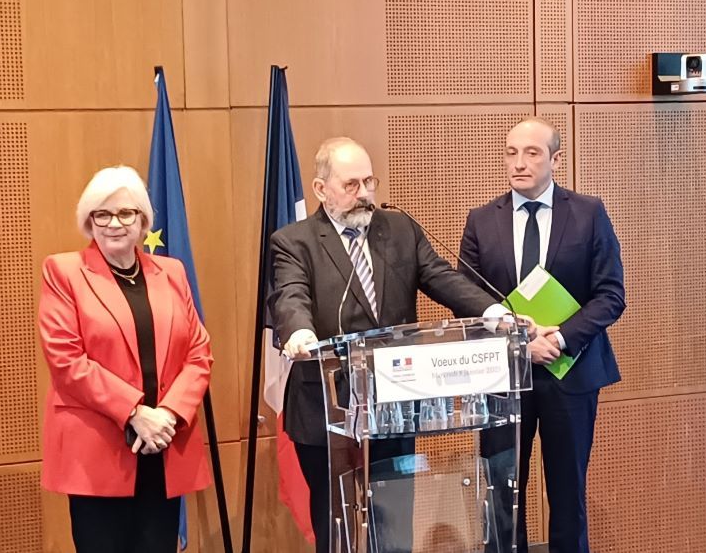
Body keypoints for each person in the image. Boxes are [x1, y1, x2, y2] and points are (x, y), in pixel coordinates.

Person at [268, 137, 519, 552]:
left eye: (369, 181)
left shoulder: (398, 228)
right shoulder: (295, 241)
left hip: (394, 403)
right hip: (325, 409)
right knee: (336, 523)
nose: (365, 194)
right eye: (351, 184)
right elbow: (291, 295)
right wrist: (299, 331)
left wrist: (494, 312)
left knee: (395, 515)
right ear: (320, 189)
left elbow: (441, 277)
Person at [459, 118, 626, 553]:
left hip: (569, 375)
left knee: (568, 496)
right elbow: (465, 301)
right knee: (501, 494)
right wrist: (520, 344)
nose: (519, 163)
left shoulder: (589, 213)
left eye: (531, 153)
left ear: (555, 158)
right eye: (511, 152)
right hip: (503, 379)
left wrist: (561, 339)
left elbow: (611, 295)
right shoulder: (481, 221)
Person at [38, 165, 213, 553]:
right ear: (89, 220)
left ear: (142, 220)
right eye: (102, 213)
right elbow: (67, 361)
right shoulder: (63, 272)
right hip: (99, 454)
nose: (114, 223)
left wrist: (167, 415)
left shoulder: (171, 272)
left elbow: (199, 352)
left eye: (125, 213)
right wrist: (136, 413)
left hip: (163, 448)